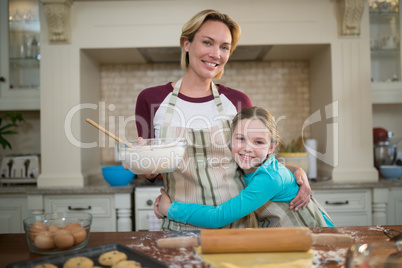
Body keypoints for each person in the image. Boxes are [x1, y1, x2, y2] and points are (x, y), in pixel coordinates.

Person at [134, 9, 312, 230]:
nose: (216, 54)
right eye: (207, 42)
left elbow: (256, 162)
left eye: (224, 47)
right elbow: (151, 170)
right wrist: (140, 163)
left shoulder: (237, 101)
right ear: (186, 44)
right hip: (179, 225)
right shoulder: (151, 100)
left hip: (239, 227)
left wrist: (295, 171)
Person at [157, 106, 334, 228]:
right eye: (240, 138)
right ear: (230, 139)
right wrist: (297, 170)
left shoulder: (269, 178)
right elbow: (286, 171)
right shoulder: (251, 166)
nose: (247, 148)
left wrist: (169, 209)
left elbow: (218, 217)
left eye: (258, 142)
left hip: (318, 240)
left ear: (271, 148)